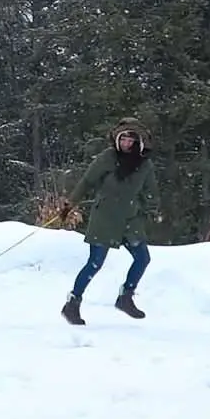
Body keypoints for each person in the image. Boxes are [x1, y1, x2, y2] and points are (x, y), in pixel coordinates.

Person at [58, 117, 160, 325]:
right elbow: (87, 181)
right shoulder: (107, 158)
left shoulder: (144, 165)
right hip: (104, 217)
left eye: (130, 140)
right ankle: (72, 304)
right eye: (122, 139)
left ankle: (125, 297)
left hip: (131, 218)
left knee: (142, 258)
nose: (126, 144)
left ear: (138, 142)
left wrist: (152, 210)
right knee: (95, 263)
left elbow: (151, 191)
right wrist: (70, 203)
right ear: (117, 140)